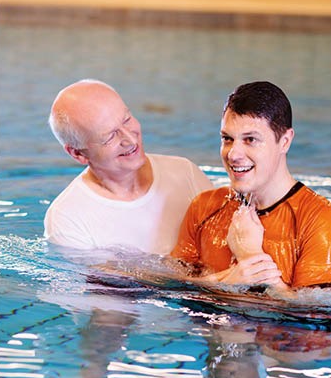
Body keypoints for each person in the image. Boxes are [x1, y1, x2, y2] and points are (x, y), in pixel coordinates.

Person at [171, 81, 331, 293]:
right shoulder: (204, 207)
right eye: (227, 139)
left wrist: (250, 256)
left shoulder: (322, 220)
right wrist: (226, 281)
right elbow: (172, 288)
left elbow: (316, 319)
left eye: (250, 139)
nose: (233, 154)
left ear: (284, 141)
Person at [44, 79, 212, 254]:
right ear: (77, 153)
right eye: (109, 137)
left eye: (127, 120)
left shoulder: (184, 172)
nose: (131, 140)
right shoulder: (68, 220)